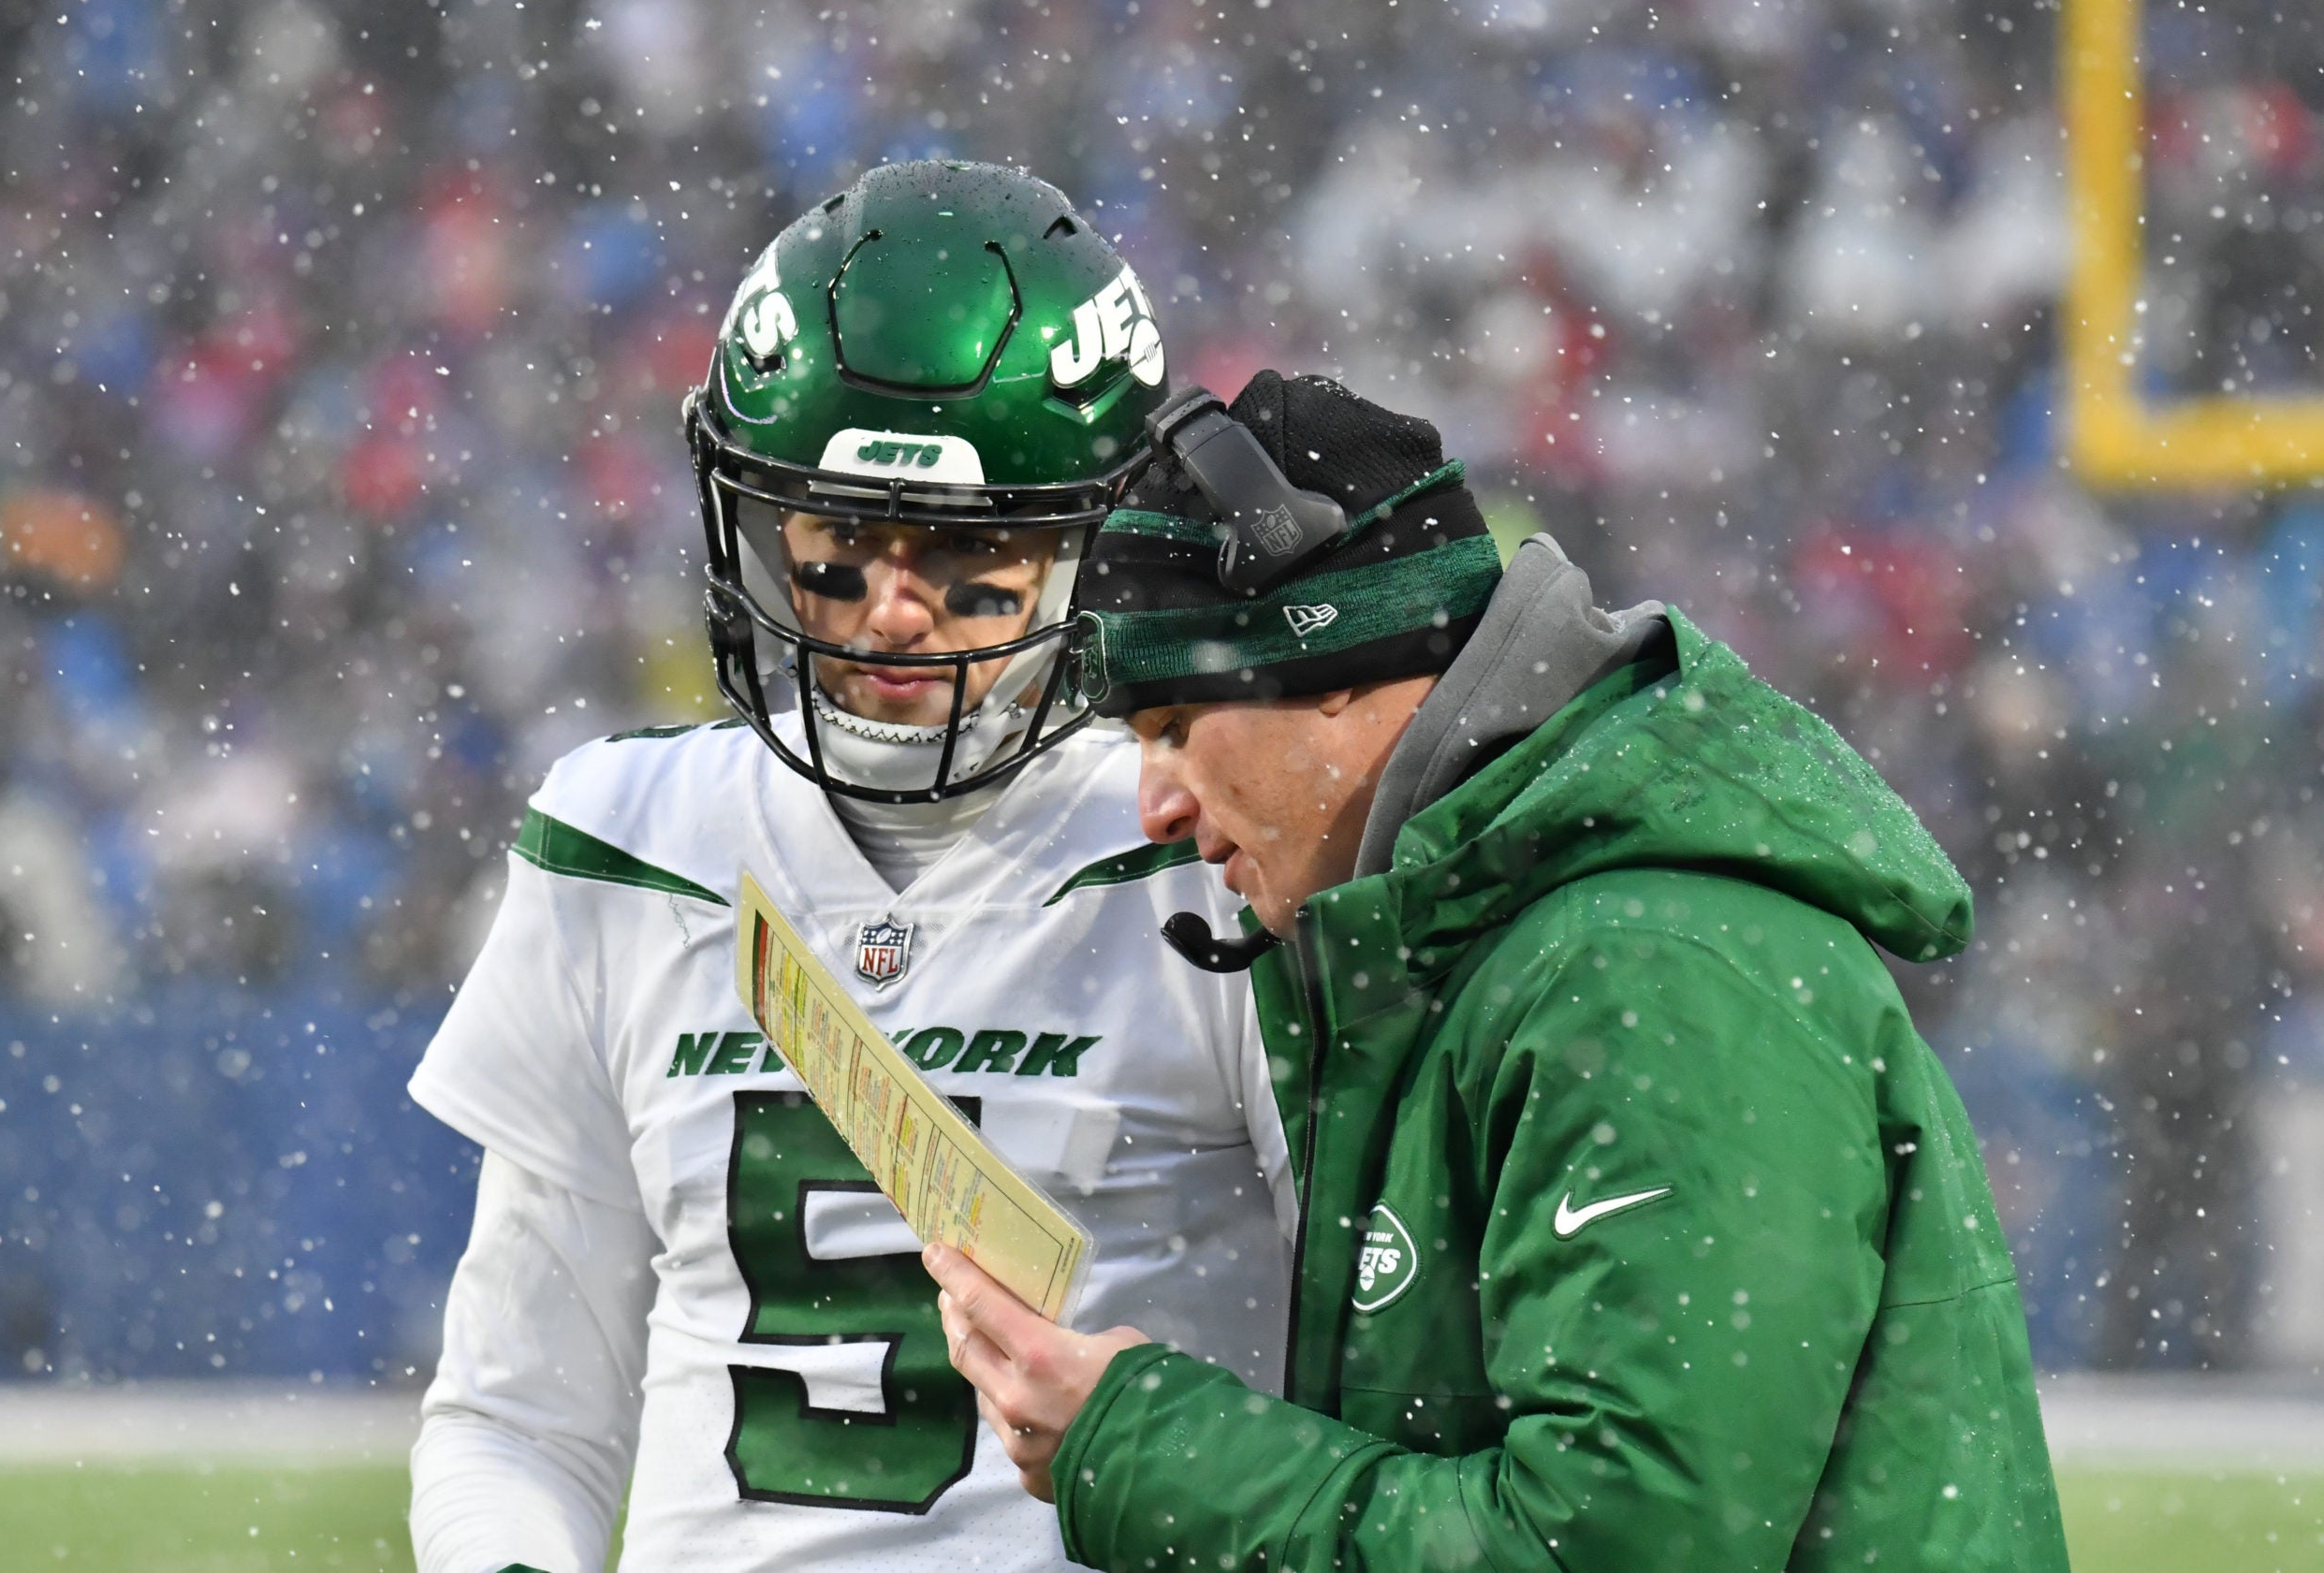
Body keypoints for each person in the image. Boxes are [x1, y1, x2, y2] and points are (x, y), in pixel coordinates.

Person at [928, 371, 2071, 1571]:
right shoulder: (1495, 951)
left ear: (1342, 669)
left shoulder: (1650, 977)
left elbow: (1613, 1550)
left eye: (1171, 728)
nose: (1153, 805)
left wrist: (1149, 1446)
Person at [404, 163, 1293, 1573]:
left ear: (1097, 545)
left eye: (963, 556)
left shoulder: (1207, 838)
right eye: (837, 547)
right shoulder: (627, 837)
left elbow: (1375, 1402)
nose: (889, 611)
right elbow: (518, 1416)